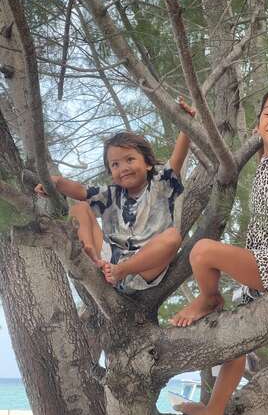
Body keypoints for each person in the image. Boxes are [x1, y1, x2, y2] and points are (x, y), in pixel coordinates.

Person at [170, 87, 268, 415]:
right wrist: (191, 124)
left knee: (203, 250)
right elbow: (221, 153)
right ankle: (214, 413)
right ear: (257, 125)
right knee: (234, 343)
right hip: (261, 266)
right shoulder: (265, 158)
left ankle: (209, 297)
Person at [35, 105, 191, 293]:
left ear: (148, 164)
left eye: (129, 160)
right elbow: (81, 191)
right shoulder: (112, 194)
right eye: (115, 164)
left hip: (144, 268)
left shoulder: (161, 184)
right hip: (108, 263)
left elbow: (177, 158)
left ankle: (121, 270)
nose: (123, 167)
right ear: (111, 172)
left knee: (173, 237)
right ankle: (90, 254)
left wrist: (186, 124)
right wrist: (56, 182)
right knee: (79, 208)